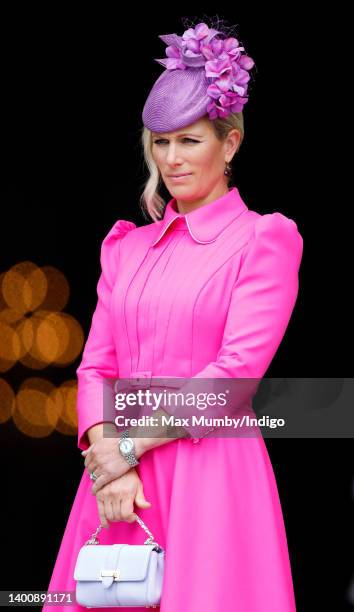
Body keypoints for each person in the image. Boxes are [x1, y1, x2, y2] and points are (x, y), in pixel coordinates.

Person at [43, 17, 303, 611]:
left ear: (230, 144)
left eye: (190, 141)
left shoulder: (264, 239)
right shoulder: (126, 247)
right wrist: (111, 465)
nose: (172, 159)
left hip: (211, 475)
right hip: (116, 482)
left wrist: (127, 448)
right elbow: (96, 368)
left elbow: (235, 376)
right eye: (161, 143)